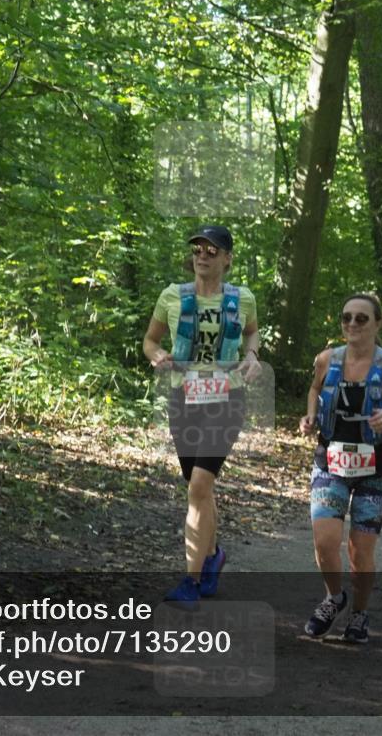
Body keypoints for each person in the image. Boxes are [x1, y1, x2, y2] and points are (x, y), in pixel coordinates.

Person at [142, 225, 262, 606]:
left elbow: (252, 334)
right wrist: (156, 356)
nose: (203, 254)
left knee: (198, 487)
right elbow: (150, 340)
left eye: (213, 249)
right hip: (184, 399)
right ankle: (213, 557)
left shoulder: (242, 299)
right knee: (200, 488)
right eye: (198, 248)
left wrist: (252, 356)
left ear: (227, 258)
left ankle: (191, 582)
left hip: (227, 400)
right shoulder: (172, 297)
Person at [299, 294, 382, 643]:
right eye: (346, 318)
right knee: (325, 541)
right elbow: (314, 390)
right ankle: (334, 598)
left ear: (378, 323)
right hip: (330, 464)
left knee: (360, 552)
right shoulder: (326, 359)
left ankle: (360, 614)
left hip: (376, 472)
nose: (352, 324)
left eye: (362, 319)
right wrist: (310, 416)